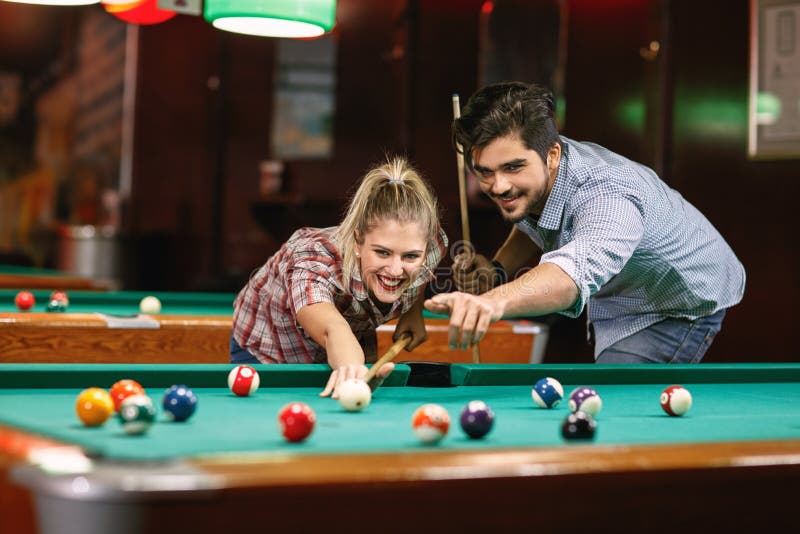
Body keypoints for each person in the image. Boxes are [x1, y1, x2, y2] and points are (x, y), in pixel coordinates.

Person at [425, 82, 745, 363]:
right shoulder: (534, 179)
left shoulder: (606, 194)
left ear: (552, 155)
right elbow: (532, 217)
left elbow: (572, 273)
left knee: (614, 409)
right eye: (484, 171)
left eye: (513, 167)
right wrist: (497, 270)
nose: (499, 186)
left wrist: (492, 302)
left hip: (675, 300)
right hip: (624, 289)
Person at [232, 157, 448, 396]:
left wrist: (412, 312)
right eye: (382, 252)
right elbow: (332, 329)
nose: (396, 269)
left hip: (352, 339)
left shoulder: (433, 244)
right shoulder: (313, 259)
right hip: (270, 347)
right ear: (358, 241)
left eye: (410, 256)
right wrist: (352, 368)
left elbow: (419, 275)